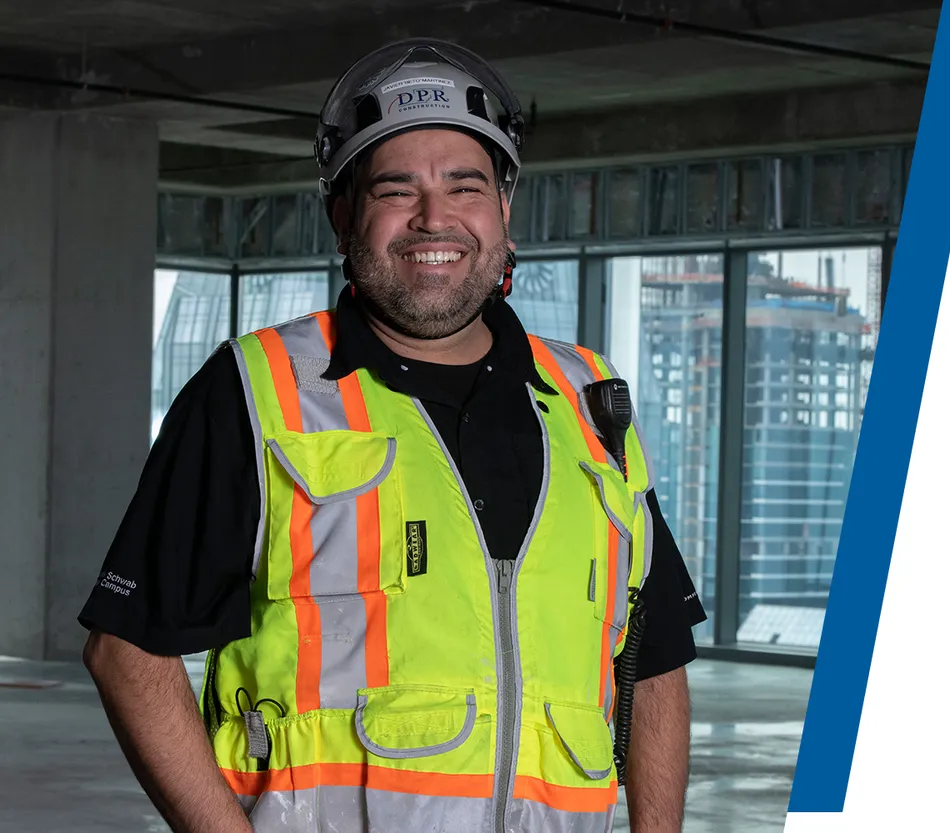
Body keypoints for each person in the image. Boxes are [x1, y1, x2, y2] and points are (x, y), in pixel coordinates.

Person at [80, 38, 707, 833]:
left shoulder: (589, 398)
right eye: (396, 188)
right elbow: (127, 649)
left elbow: (653, 660)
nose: (434, 218)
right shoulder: (256, 391)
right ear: (343, 214)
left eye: (465, 185)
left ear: (505, 210)